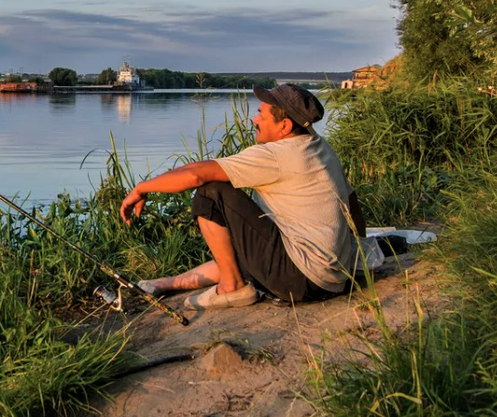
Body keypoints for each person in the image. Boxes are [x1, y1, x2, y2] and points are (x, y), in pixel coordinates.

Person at [119, 83, 366, 309]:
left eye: (261, 113)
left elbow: (197, 176)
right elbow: (351, 203)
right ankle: (163, 284)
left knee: (210, 193)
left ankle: (232, 288)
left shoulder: (278, 154)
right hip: (332, 277)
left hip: (300, 280)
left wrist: (142, 188)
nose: (254, 119)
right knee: (232, 255)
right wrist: (359, 251)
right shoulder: (319, 146)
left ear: (284, 126)